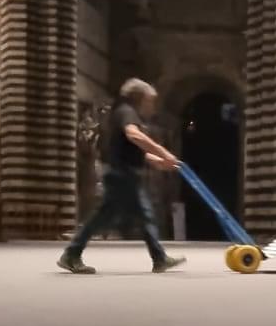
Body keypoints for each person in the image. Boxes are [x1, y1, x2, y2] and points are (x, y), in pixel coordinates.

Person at [58, 79, 186, 275]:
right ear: (139, 98)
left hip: (125, 174)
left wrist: (158, 161)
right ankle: (71, 254)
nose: (152, 106)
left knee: (138, 216)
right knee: (115, 217)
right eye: (150, 101)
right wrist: (164, 152)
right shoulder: (127, 111)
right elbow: (134, 136)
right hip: (122, 176)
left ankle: (159, 258)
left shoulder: (126, 112)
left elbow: (131, 150)